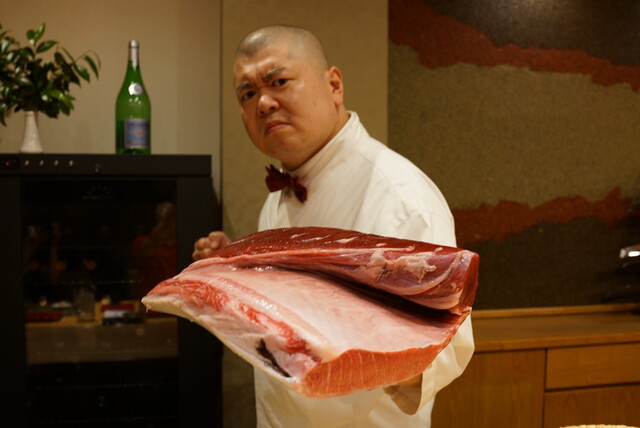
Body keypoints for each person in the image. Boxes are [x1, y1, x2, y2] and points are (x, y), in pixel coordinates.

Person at [193, 25, 474, 428]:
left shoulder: (399, 197)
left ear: (334, 86)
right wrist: (236, 272)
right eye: (247, 94)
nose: (264, 103)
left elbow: (445, 352)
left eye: (279, 82)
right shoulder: (277, 200)